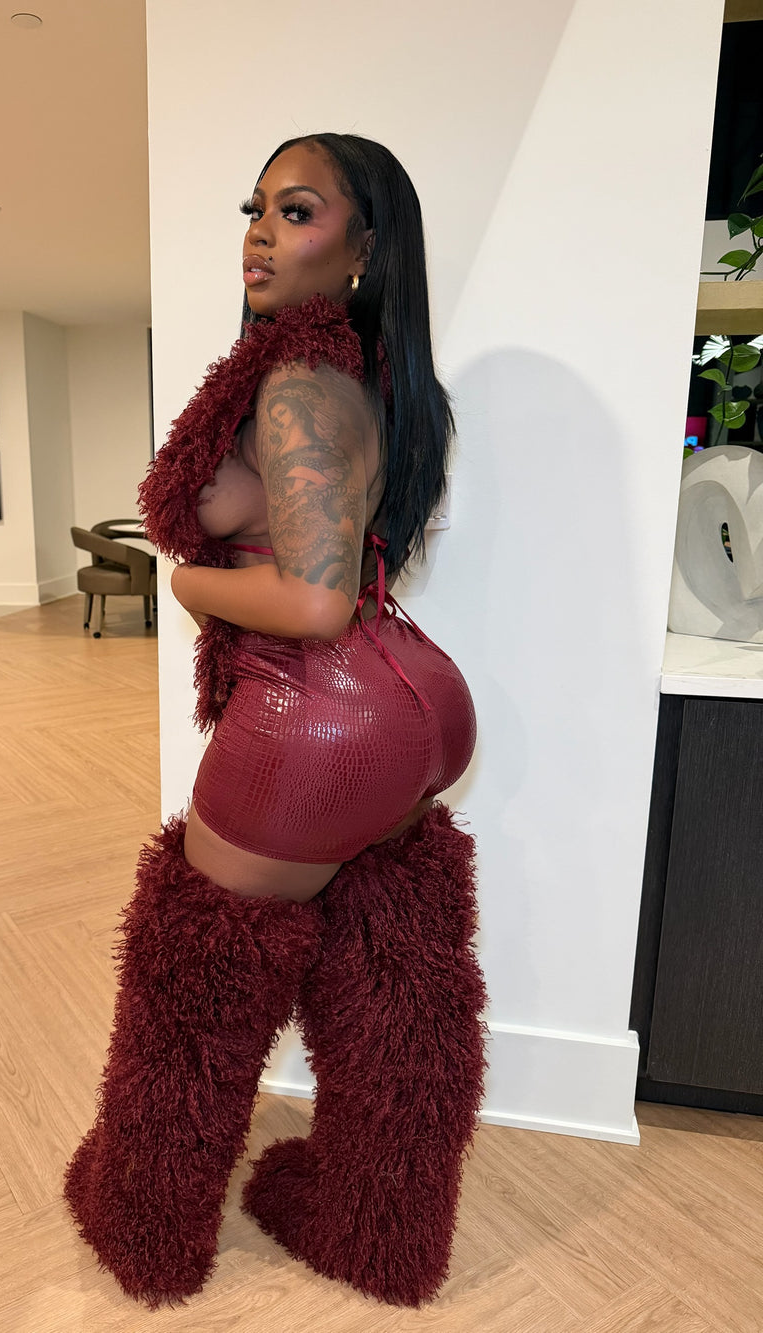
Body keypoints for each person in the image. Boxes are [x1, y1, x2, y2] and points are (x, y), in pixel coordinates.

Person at [64, 133, 489, 1310]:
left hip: (318, 720)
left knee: (192, 983)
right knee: (395, 977)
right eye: (254, 209)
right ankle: (376, 1226)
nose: (260, 233)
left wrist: (185, 582)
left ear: (364, 247)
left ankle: (143, 1222)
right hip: (415, 710)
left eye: (296, 211)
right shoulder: (367, 379)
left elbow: (309, 600)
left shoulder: (296, 384)